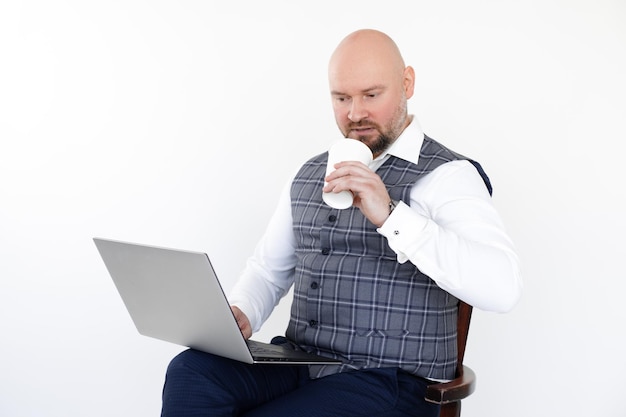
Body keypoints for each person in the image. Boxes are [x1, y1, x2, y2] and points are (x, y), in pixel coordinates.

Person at [160, 29, 522, 417]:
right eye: (342, 98)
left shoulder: (448, 175)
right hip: (300, 362)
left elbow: (503, 289)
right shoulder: (310, 172)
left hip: (390, 381)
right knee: (191, 372)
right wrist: (242, 310)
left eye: (371, 95)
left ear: (406, 84)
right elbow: (268, 270)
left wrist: (392, 215)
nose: (355, 113)